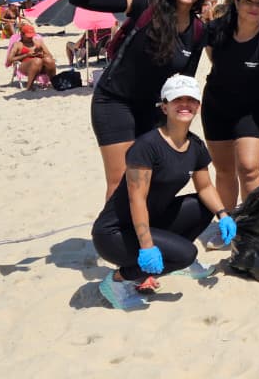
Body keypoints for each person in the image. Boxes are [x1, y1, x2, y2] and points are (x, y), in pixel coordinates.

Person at [70, 0, 208, 200]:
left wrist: (178, 121)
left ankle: (142, 234)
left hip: (153, 109)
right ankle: (114, 238)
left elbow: (184, 82)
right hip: (114, 101)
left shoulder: (198, 31)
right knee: (121, 180)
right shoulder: (145, 4)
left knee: (148, 178)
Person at [91, 75, 236, 311]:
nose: (185, 104)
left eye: (191, 99)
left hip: (153, 220)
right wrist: (147, 246)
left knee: (201, 205)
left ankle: (166, 258)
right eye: (178, 99)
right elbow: (136, 198)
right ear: (165, 106)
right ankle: (119, 280)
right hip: (114, 234)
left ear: (198, 106)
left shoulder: (196, 146)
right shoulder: (147, 146)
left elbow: (206, 187)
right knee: (185, 255)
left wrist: (224, 214)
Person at [202, 0, 259, 218]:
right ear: (237, 3)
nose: (254, 7)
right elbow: (213, 58)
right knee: (224, 170)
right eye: (248, 1)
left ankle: (255, 227)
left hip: (252, 111)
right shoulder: (216, 29)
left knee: (249, 168)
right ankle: (229, 225)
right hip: (216, 106)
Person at [6, 24, 57, 90]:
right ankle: (29, 86)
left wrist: (41, 55)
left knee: (49, 60)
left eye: (32, 36)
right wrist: (26, 55)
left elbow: (50, 55)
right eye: (28, 36)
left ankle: (54, 83)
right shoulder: (17, 45)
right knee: (37, 61)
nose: (30, 38)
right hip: (25, 67)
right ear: (22, 34)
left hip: (41, 67)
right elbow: (9, 59)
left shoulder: (38, 42)